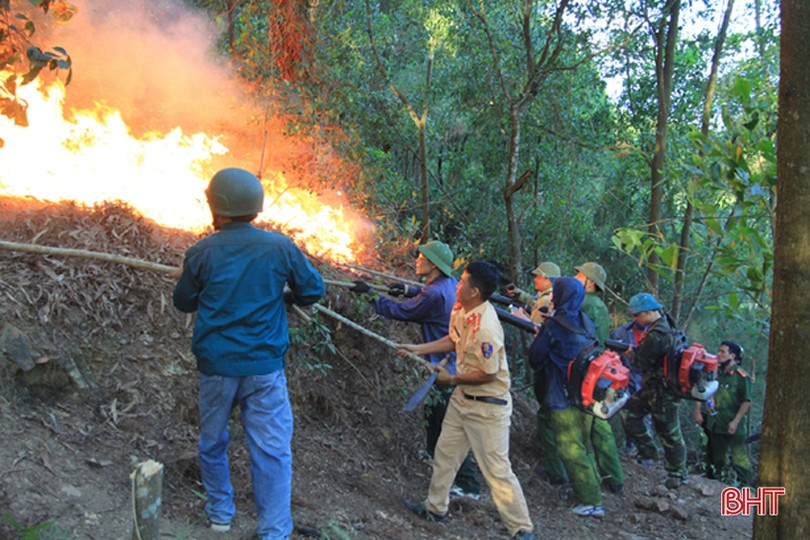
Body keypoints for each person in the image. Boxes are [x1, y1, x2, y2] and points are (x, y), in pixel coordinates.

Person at [173, 168, 325, 539]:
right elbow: (313, 290)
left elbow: (184, 302)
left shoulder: (201, 252)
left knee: (212, 441)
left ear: (216, 205)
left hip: (217, 366)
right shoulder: (279, 247)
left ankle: (220, 514)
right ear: (254, 205)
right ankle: (274, 531)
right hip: (264, 369)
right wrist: (284, 295)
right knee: (271, 450)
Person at [399, 262, 535, 540]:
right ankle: (435, 508)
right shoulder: (462, 309)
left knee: (497, 470)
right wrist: (418, 348)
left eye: (461, 282)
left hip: (488, 408)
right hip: (462, 400)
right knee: (445, 455)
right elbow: (454, 340)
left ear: (474, 292)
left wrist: (451, 379)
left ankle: (521, 529)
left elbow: (488, 373)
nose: (456, 285)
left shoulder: (486, 328)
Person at [350, 241, 480, 499]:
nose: (418, 259)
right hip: (448, 361)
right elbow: (426, 294)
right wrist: (408, 290)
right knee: (433, 412)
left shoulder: (434, 294)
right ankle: (432, 453)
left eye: (423, 257)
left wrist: (370, 295)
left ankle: (468, 485)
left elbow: (401, 311)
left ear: (434, 265)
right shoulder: (447, 284)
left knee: (448, 425)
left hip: (448, 366)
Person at [529, 276, 605, 517]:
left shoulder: (554, 326)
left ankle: (592, 501)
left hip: (561, 395)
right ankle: (591, 487)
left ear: (562, 296)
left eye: (555, 291)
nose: (551, 296)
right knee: (583, 444)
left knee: (570, 447)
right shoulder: (586, 321)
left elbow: (535, 358)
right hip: (587, 393)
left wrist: (539, 337)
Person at [506, 262, 568, 485]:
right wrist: (520, 296)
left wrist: (521, 318)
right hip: (554, 365)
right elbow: (535, 302)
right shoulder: (550, 298)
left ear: (548, 280)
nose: (535, 280)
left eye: (538, 277)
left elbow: (539, 329)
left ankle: (555, 469)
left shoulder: (548, 302)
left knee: (547, 413)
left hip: (547, 364)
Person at [623, 293, 689, 489]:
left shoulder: (657, 335)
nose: (636, 319)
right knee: (630, 411)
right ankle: (648, 451)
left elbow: (641, 362)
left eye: (637, 315)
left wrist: (630, 354)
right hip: (653, 388)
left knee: (669, 432)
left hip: (663, 391)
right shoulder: (668, 323)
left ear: (648, 312)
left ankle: (677, 473)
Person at [573, 262, 624, 494]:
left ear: (590, 281)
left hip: (585, 371)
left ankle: (588, 486)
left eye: (579, 275)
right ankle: (614, 478)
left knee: (582, 430)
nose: (576, 277)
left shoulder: (584, 303)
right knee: (601, 426)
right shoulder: (600, 306)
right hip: (599, 370)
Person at [694, 341, 752, 486]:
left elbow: (747, 401)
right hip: (716, 422)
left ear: (732, 356)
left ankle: (745, 487)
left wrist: (736, 421)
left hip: (733, 423)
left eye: (723, 352)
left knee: (739, 457)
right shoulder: (714, 372)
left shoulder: (741, 376)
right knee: (718, 457)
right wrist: (698, 411)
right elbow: (701, 390)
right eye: (719, 351)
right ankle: (721, 483)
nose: (719, 354)